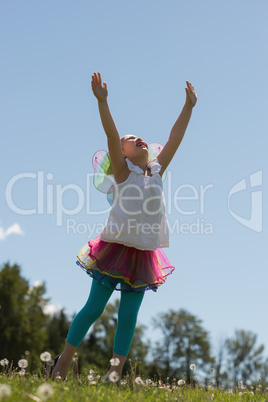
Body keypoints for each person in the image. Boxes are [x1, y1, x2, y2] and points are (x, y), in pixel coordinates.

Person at [52, 72, 197, 380]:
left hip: (143, 255)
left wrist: (188, 108)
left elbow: (175, 139)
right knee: (93, 308)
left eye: (139, 137)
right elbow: (110, 134)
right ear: (122, 153)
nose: (137, 139)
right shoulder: (122, 173)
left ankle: (114, 373)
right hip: (114, 249)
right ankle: (63, 361)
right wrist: (103, 102)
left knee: (128, 317)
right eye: (129, 140)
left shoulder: (156, 172)